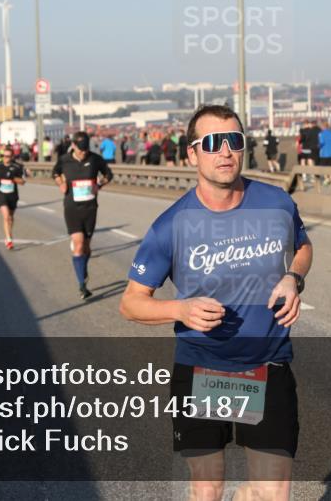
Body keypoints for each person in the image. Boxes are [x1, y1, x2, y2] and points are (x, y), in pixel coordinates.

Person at [119, 104, 313, 500]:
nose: (225, 151)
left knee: (272, 494)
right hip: (203, 369)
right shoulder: (171, 225)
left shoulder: (277, 204)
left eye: (234, 141)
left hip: (268, 365)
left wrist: (294, 278)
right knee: (207, 490)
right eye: (211, 143)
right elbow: (131, 303)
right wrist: (180, 309)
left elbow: (304, 247)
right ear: (192, 154)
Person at [53, 131, 113, 299]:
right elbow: (55, 173)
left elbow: (109, 174)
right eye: (80, 149)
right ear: (73, 146)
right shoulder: (64, 160)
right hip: (72, 207)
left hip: (90, 208)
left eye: (85, 149)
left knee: (86, 246)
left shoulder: (94, 159)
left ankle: (83, 269)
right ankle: (82, 285)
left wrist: (99, 185)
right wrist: (61, 183)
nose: (83, 152)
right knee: (78, 244)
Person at [0, 146, 26, 250]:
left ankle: (8, 235)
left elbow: (23, 182)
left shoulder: (17, 167)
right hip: (2, 193)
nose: (6, 158)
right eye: (4, 156)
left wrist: (13, 178)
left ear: (12, 156)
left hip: (13, 195)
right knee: (6, 217)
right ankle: (9, 239)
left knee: (10, 217)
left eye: (8, 156)